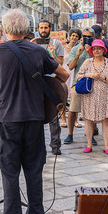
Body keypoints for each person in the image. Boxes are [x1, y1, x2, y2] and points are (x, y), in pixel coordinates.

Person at [0, 9, 69, 214]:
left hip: (7, 119)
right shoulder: (38, 51)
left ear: (3, 30)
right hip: (34, 118)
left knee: (9, 172)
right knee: (34, 171)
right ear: (27, 30)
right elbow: (64, 75)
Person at [77, 39, 108, 154]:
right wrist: (89, 75)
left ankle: (106, 146)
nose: (96, 50)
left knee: (105, 120)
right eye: (94, 48)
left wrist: (103, 78)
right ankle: (89, 145)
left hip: (104, 95)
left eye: (98, 48)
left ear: (103, 50)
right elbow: (78, 76)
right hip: (89, 95)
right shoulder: (87, 62)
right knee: (89, 120)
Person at [35, 20, 64, 155]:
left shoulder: (56, 43)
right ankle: (37, 145)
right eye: (41, 28)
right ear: (38, 29)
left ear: (50, 28)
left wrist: (52, 53)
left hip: (51, 80)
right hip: (36, 81)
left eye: (46, 27)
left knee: (53, 114)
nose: (43, 30)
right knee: (36, 114)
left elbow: (60, 63)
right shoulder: (33, 42)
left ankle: (55, 145)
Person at [64, 27, 94, 144]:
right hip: (78, 83)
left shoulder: (96, 49)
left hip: (92, 83)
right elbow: (70, 67)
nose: (87, 39)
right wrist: (78, 54)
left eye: (90, 37)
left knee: (92, 111)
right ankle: (70, 134)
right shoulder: (75, 49)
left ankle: (91, 134)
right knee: (73, 109)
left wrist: (90, 52)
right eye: (85, 36)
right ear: (82, 38)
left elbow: (98, 63)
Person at [61, 28, 82, 128]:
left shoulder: (79, 49)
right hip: (65, 72)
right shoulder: (63, 47)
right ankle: (63, 119)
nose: (74, 38)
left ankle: (75, 120)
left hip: (74, 72)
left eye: (76, 36)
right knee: (63, 97)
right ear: (69, 36)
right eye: (73, 35)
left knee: (75, 97)